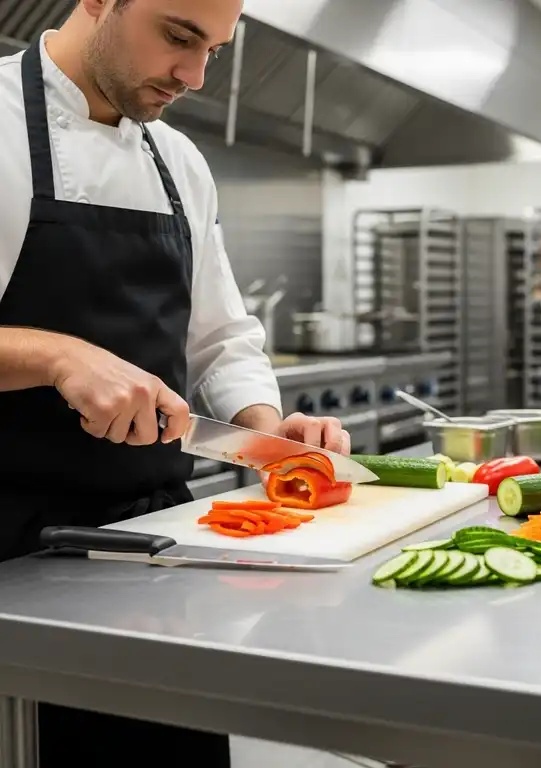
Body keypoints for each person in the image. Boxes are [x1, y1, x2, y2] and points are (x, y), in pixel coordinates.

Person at [0, 0, 350, 765]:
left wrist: (265, 428)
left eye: (214, 52)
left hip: (154, 553)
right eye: (178, 36)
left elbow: (221, 339)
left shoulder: (179, 161)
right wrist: (55, 354)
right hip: (11, 560)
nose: (192, 77)